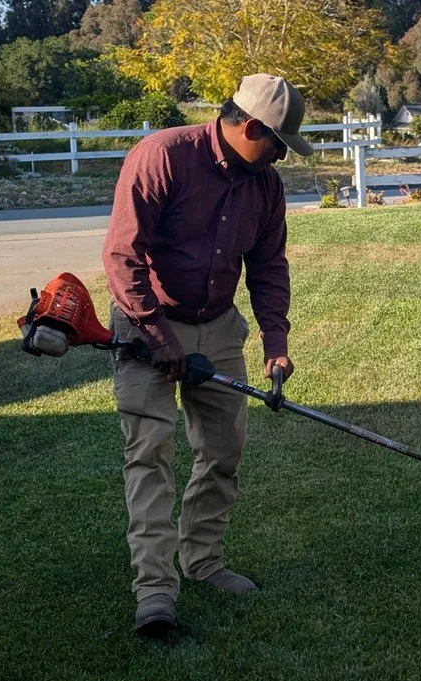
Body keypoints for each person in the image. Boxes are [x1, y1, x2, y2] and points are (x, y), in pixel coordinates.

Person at [102, 73, 314, 634]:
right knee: (151, 455)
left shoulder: (264, 185)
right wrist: (161, 342)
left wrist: (276, 343)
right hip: (146, 322)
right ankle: (155, 592)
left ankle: (203, 562)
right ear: (250, 127)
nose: (281, 159)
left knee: (223, 450)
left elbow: (268, 266)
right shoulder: (162, 156)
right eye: (278, 145)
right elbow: (123, 257)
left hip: (217, 325)